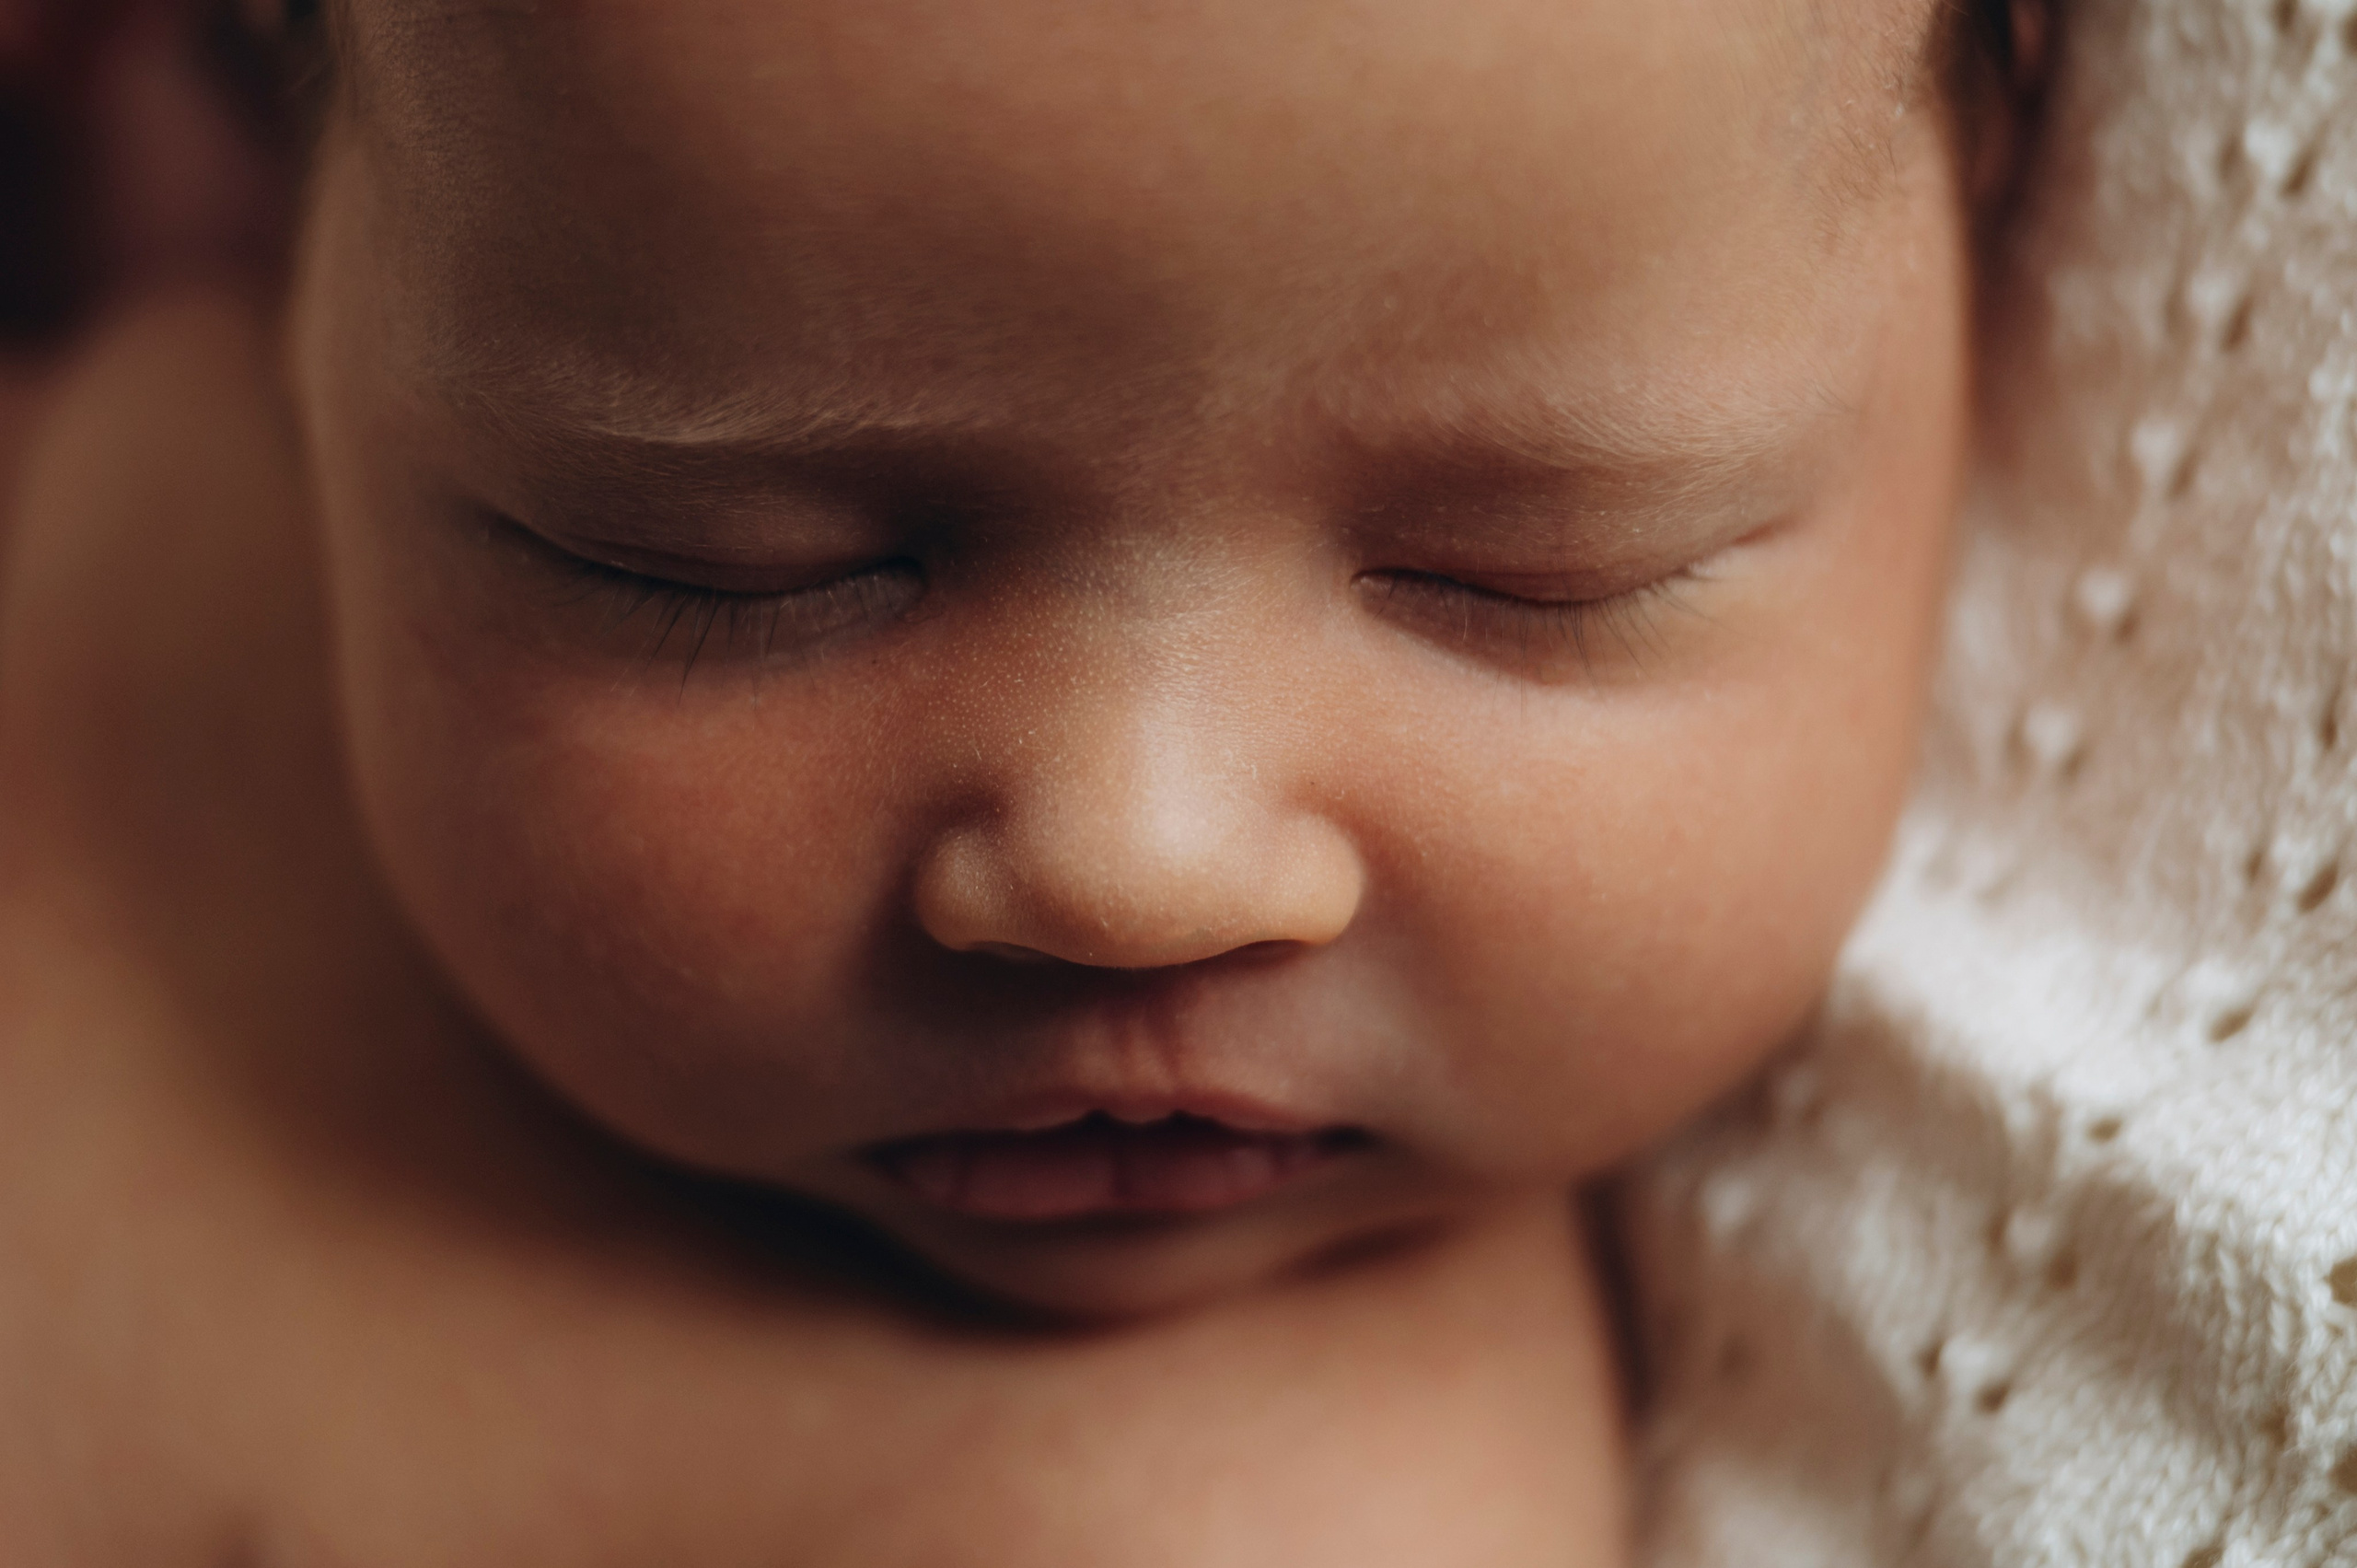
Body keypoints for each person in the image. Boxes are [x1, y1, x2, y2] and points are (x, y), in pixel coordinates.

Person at [0, 0, 2040, 1559]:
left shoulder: (1258, 1517)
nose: (1134, 863)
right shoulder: (154, 419)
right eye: (717, 569)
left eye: (1526, 571)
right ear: (296, 238)